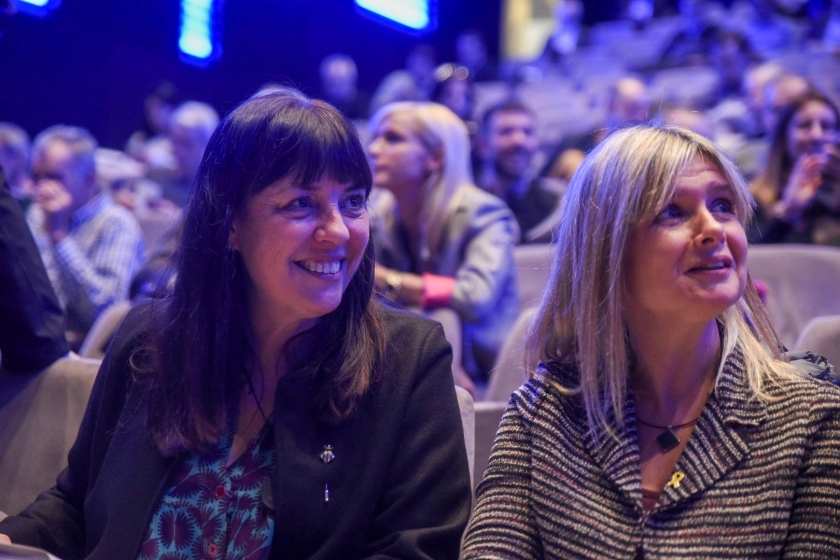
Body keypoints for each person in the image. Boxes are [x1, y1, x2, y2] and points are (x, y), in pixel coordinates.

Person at [0, 91, 471, 558]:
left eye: (352, 202)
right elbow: (76, 507)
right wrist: (13, 540)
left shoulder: (409, 361)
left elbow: (417, 550)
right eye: (302, 204)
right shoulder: (151, 339)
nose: (341, 232)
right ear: (229, 224)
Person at [461, 124, 840, 558]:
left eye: (722, 205)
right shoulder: (543, 410)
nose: (713, 228)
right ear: (606, 252)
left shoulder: (812, 419)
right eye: (673, 212)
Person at [368, 101, 519, 383]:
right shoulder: (380, 217)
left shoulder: (485, 213)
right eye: (376, 138)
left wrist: (387, 279)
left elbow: (475, 297)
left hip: (487, 376)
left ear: (435, 157)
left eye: (392, 138)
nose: (374, 149)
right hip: (417, 365)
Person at [26, 125, 145, 342]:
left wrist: (59, 237)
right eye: (37, 177)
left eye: (53, 177)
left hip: (80, 351)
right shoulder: (37, 212)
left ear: (89, 180)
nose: (42, 188)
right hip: (32, 340)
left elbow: (105, 317)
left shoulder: (117, 223)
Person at [751, 91, 840, 245]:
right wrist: (788, 211)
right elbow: (751, 262)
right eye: (805, 125)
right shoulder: (755, 197)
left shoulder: (834, 193)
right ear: (784, 136)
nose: (817, 135)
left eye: (826, 126)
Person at [476, 101, 564, 243]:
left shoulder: (556, 204)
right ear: (482, 145)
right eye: (506, 132)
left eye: (527, 132)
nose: (519, 140)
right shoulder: (468, 206)